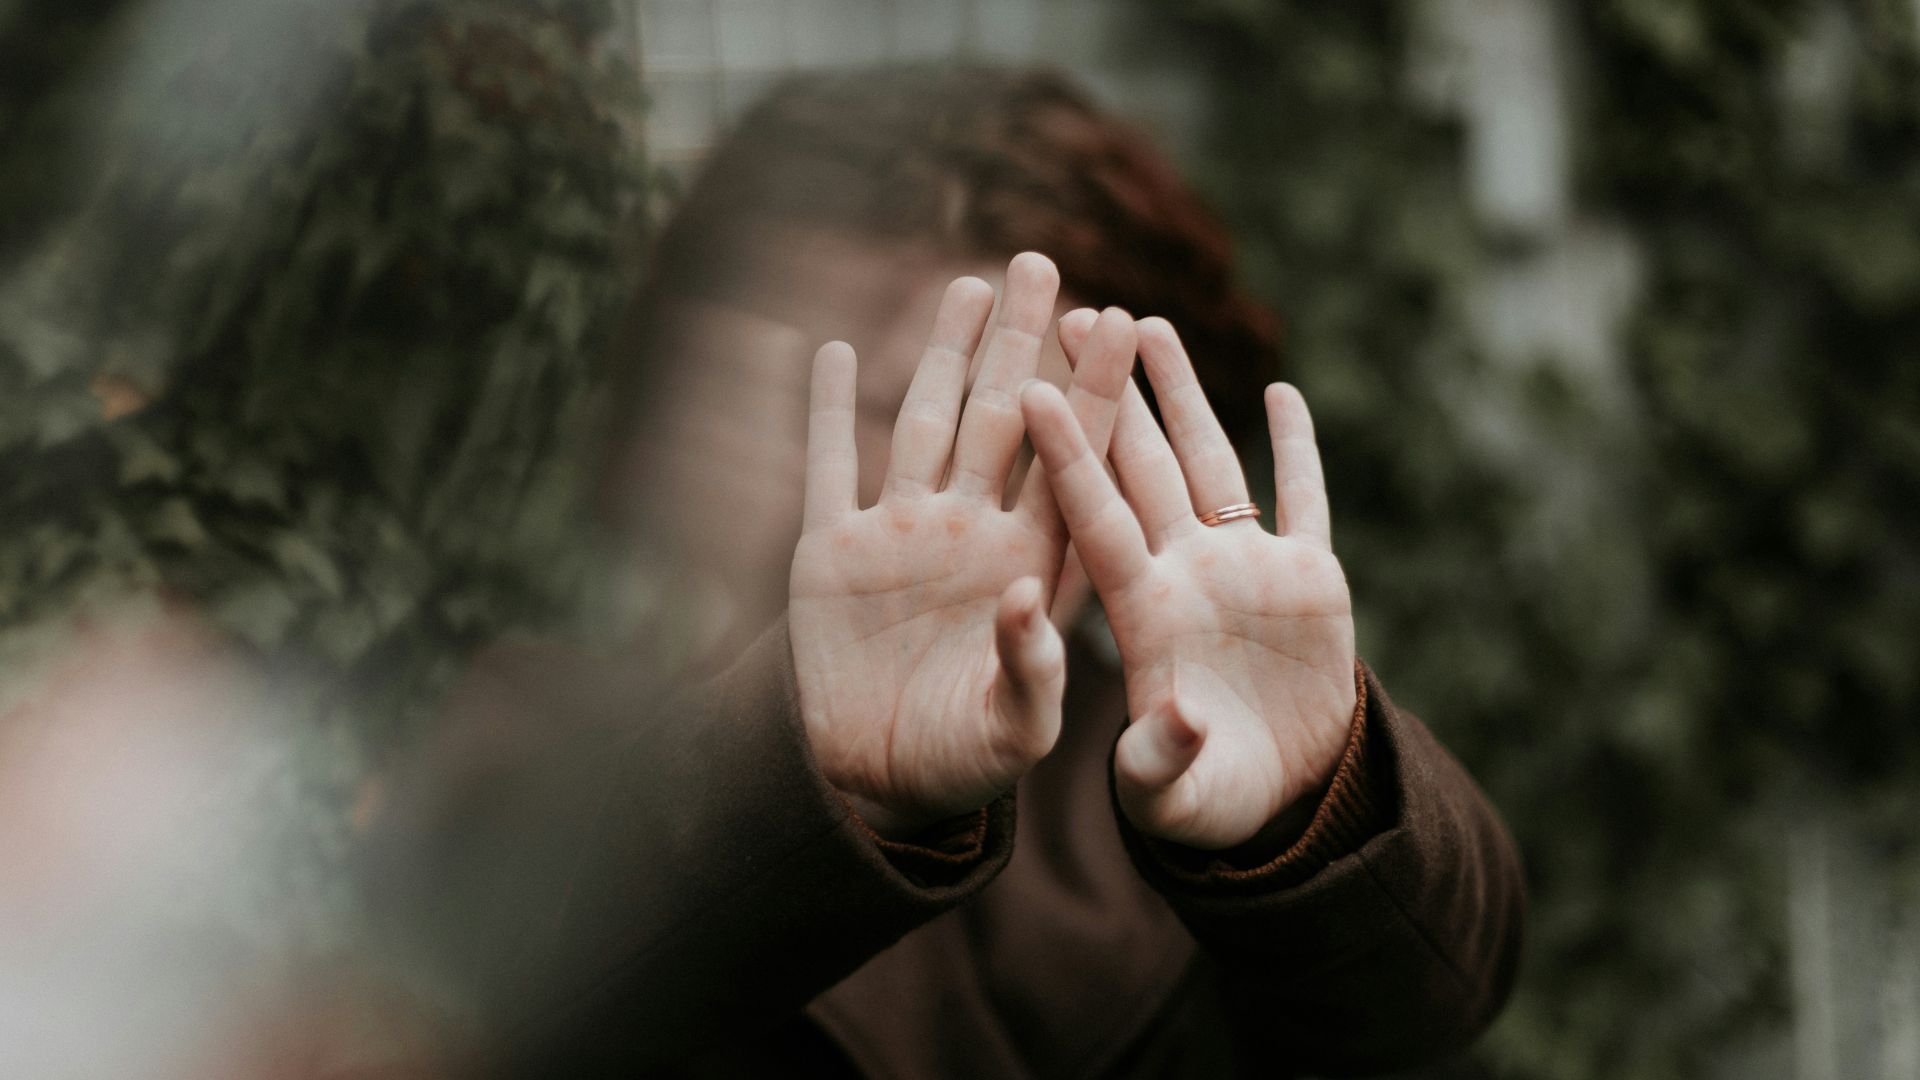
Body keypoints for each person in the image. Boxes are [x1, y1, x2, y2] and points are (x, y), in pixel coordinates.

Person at [369, 65, 1525, 1078]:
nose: (965, 503)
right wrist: (823, 780)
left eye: (1042, 433)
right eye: (890, 404)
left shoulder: (1181, 780)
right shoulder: (537, 734)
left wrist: (1316, 809)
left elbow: (1429, 1005)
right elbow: (489, 979)